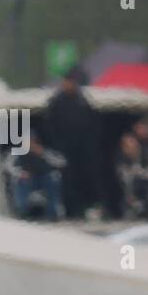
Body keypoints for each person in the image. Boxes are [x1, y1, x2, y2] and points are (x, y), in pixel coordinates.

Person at [44, 64, 101, 219]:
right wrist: (57, 147)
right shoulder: (56, 102)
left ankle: (86, 208)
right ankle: (70, 211)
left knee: (85, 180)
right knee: (67, 182)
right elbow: (51, 127)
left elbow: (92, 124)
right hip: (64, 149)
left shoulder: (82, 101)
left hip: (82, 150)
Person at [8, 132, 65, 221]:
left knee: (54, 177)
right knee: (18, 181)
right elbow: (9, 166)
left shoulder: (45, 150)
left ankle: (52, 214)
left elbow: (61, 162)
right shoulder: (17, 152)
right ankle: (22, 213)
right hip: (27, 180)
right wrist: (20, 173)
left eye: (32, 141)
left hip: (44, 179)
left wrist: (44, 154)